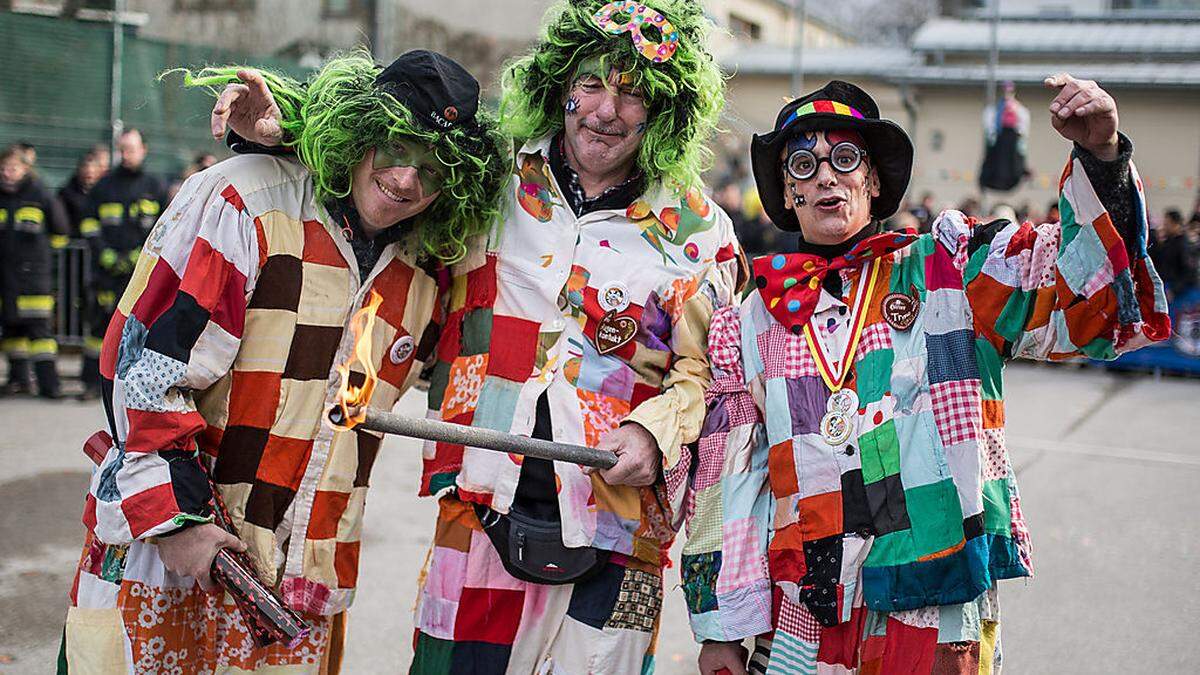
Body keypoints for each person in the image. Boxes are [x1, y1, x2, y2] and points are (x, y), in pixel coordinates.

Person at [686, 77, 1168, 674]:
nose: (825, 177)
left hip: (935, 604)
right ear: (787, 192)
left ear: (873, 180)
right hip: (805, 611)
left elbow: (1083, 299)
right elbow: (727, 483)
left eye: (844, 158)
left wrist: (1101, 156)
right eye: (803, 165)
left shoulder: (954, 267)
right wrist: (721, 629)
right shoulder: (749, 320)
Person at [60, 49, 509, 673]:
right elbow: (142, 367)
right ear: (359, 135)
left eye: (434, 169)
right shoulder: (247, 200)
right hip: (172, 561)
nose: (407, 181)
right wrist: (176, 519)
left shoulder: (424, 268)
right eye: (395, 148)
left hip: (301, 585)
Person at [78, 128, 169, 400]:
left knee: (140, 327)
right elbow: (88, 223)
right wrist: (103, 254)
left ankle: (132, 384)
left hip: (140, 273)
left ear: (144, 150)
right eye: (122, 149)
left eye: (131, 149)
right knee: (99, 328)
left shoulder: (155, 186)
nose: (125, 155)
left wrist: (139, 257)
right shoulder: (103, 187)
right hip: (105, 272)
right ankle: (93, 382)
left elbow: (164, 227)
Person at [0, 144, 68, 398]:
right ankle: (18, 380)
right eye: (4, 168)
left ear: (26, 169)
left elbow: (60, 231)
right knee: (12, 333)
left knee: (40, 333)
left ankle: (49, 385)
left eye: (13, 168)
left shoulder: (39, 194)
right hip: (6, 279)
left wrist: (42, 260)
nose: (7, 173)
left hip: (33, 278)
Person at [1150, 208, 1197, 299]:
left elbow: (1188, 271)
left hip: (1177, 290)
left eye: (1167, 224)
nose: (1164, 227)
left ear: (1175, 224)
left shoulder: (1183, 245)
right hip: (1166, 285)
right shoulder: (1168, 241)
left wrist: (1174, 290)